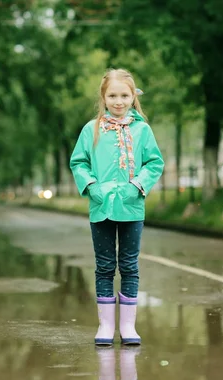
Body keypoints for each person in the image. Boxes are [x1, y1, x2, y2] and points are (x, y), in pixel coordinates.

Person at [69, 68, 164, 346]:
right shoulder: (92, 129)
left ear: (133, 96)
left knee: (130, 265)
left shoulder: (142, 130)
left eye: (124, 95)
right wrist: (92, 187)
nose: (118, 101)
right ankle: (106, 325)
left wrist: (138, 185)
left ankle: (129, 326)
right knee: (105, 266)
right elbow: (79, 162)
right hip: (101, 207)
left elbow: (154, 162)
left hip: (132, 205)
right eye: (113, 95)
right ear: (104, 96)